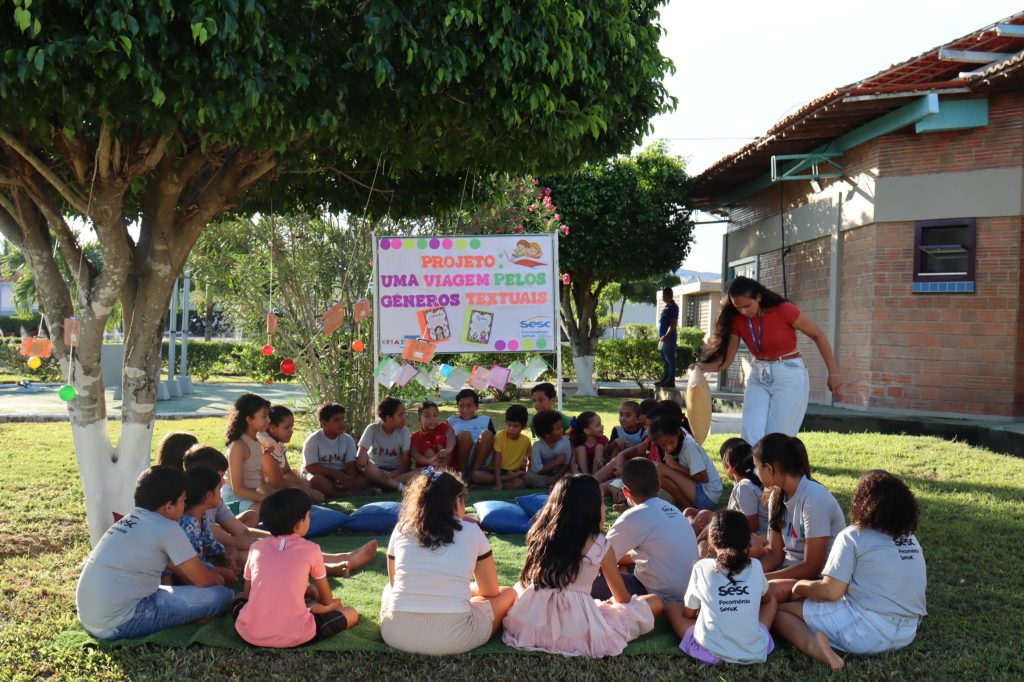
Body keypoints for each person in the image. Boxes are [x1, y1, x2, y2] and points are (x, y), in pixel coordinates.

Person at [773, 470, 927, 670]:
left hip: (867, 631)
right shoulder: (910, 538)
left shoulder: (853, 536)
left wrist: (799, 587)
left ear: (862, 502)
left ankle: (819, 649)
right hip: (907, 632)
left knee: (781, 613)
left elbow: (830, 592)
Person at [502, 474, 664, 657]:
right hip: (577, 624)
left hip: (532, 619)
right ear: (590, 508)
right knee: (654, 602)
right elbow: (622, 598)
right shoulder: (599, 544)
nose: (605, 508)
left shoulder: (541, 535)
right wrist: (612, 604)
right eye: (602, 502)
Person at [76, 467, 234, 640]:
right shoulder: (167, 527)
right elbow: (203, 580)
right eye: (183, 500)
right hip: (121, 622)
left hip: (90, 617)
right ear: (168, 506)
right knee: (222, 595)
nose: (185, 505)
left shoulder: (130, 519)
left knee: (184, 595)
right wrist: (218, 580)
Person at [380, 468, 517, 655]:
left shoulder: (401, 529)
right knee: (508, 593)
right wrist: (468, 589)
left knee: (388, 590)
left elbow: (395, 583)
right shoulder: (472, 531)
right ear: (456, 500)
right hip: (454, 638)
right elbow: (490, 591)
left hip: (395, 633)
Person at [693, 276, 842, 446]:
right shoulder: (737, 319)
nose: (743, 311)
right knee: (750, 435)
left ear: (759, 297)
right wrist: (705, 367)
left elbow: (818, 335)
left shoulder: (784, 309)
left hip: (789, 373)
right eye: (738, 307)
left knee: (776, 439)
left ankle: (775, 471)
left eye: (747, 306)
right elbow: (726, 360)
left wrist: (833, 373)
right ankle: (752, 472)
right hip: (758, 374)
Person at [184, 445, 377, 576]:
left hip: (220, 548)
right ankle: (322, 566)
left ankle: (335, 557)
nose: (225, 482)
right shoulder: (192, 515)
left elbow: (241, 531)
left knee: (255, 530)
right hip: (213, 557)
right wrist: (279, 543)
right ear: (204, 484)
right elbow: (233, 540)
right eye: (220, 478)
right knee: (250, 554)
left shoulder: (212, 500)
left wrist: (284, 539)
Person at [234, 488, 359, 648]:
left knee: (239, 599)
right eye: (308, 516)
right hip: (297, 635)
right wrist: (326, 606)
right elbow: (327, 599)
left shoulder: (256, 547)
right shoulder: (312, 549)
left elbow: (247, 594)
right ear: (299, 523)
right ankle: (309, 609)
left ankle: (307, 608)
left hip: (250, 633)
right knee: (351, 613)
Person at [667, 510, 777, 666]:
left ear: (711, 542)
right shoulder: (756, 566)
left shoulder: (701, 567)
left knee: (672, 606)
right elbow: (766, 599)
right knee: (772, 602)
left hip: (710, 653)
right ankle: (750, 636)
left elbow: (689, 613)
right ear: (748, 542)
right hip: (755, 651)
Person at [591, 458, 698, 604]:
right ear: (659, 485)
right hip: (689, 592)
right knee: (621, 563)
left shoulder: (634, 516)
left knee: (587, 581)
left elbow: (599, 556)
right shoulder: (672, 509)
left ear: (626, 492)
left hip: (659, 594)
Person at [754, 434, 846, 587]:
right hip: (788, 574)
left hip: (817, 581)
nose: (756, 473)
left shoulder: (814, 498)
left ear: (769, 468)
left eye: (757, 467)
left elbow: (812, 566)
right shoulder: (776, 496)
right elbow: (775, 554)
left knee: (761, 594)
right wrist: (747, 577)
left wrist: (760, 581)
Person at [176, 467, 240, 584]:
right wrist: (221, 571)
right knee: (219, 580)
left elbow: (211, 545)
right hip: (188, 572)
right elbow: (193, 563)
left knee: (232, 551)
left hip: (202, 562)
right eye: (219, 490)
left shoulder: (202, 516)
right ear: (209, 495)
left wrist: (227, 558)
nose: (220, 496)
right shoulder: (189, 524)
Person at [649, 415, 722, 511]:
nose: (669, 448)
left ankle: (691, 509)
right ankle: (686, 507)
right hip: (698, 491)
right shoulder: (673, 447)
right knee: (661, 476)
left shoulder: (689, 448)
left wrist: (676, 466)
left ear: (678, 433)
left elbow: (704, 478)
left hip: (708, 496)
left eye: (671, 442)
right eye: (663, 445)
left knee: (659, 468)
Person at [258, 405, 325, 503]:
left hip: (271, 485)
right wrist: (308, 491)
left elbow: (287, 471)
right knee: (300, 492)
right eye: (287, 428)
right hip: (258, 490)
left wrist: (304, 486)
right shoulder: (266, 445)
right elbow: (277, 482)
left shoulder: (277, 442)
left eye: (292, 427)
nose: (291, 431)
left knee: (302, 480)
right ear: (272, 428)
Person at [224, 393, 273, 525]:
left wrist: (277, 497)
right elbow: (238, 489)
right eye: (264, 416)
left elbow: (260, 480)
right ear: (249, 419)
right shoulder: (238, 446)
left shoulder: (256, 441)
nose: (268, 420)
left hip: (252, 498)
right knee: (265, 509)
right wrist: (267, 499)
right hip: (233, 502)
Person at [301, 403, 367, 498]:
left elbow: (350, 465)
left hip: (342, 475)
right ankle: (348, 494)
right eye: (337, 420)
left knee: (364, 478)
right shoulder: (313, 440)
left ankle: (339, 492)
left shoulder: (348, 439)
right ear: (324, 424)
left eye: (343, 419)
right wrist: (336, 474)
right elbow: (311, 467)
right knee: (315, 480)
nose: (342, 423)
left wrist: (349, 480)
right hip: (322, 475)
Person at [356, 397, 416, 492]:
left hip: (396, 472)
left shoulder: (405, 431)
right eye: (401, 414)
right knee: (361, 465)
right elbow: (361, 456)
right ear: (388, 418)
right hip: (375, 470)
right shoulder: (372, 429)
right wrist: (378, 472)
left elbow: (406, 465)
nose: (405, 417)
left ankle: (383, 485)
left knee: (423, 472)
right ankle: (398, 487)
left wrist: (390, 475)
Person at [476, 404, 531, 490]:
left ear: (523, 426)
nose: (511, 429)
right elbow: (497, 462)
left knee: (520, 484)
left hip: (513, 472)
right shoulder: (500, 437)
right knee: (476, 475)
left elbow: (530, 460)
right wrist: (499, 482)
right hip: (497, 471)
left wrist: (527, 474)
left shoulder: (526, 441)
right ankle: (503, 481)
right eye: (509, 425)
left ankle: (485, 486)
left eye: (515, 426)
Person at [447, 389, 496, 480]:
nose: (465, 410)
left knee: (487, 434)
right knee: (465, 435)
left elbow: (495, 440)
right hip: (462, 455)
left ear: (477, 407)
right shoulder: (451, 420)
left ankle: (473, 474)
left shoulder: (485, 419)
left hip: (483, 456)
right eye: (461, 406)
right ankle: (462, 474)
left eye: (469, 406)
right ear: (457, 407)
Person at [525, 409, 571, 489]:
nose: (562, 430)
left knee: (571, 474)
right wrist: (555, 463)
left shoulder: (565, 442)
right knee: (528, 476)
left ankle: (553, 483)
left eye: (561, 427)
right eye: (558, 428)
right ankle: (552, 484)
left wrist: (557, 476)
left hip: (561, 473)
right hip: (544, 476)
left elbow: (566, 465)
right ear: (547, 434)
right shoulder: (537, 446)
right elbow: (538, 471)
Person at [410, 401, 455, 469]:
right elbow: (414, 454)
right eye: (427, 416)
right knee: (426, 445)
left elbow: (451, 436)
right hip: (428, 468)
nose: (432, 419)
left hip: (447, 465)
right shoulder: (415, 437)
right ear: (419, 419)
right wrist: (428, 461)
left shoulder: (443, 427)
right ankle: (438, 469)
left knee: (440, 438)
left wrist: (448, 449)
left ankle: (443, 469)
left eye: (435, 415)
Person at [570, 411, 608, 475]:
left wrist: (603, 460)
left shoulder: (603, 440)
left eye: (601, 424)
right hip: (581, 472)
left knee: (599, 446)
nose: (602, 426)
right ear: (586, 431)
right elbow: (572, 461)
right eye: (598, 425)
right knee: (580, 448)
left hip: (599, 471)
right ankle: (586, 475)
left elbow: (608, 457)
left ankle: (596, 476)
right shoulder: (578, 442)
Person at [656, 287, 679, 388]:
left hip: (669, 338)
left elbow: (673, 324)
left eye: (664, 295)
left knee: (670, 360)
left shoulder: (673, 307)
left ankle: (671, 380)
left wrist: (667, 335)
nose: (662, 297)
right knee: (665, 359)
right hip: (663, 338)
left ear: (668, 295)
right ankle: (665, 379)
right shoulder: (666, 307)